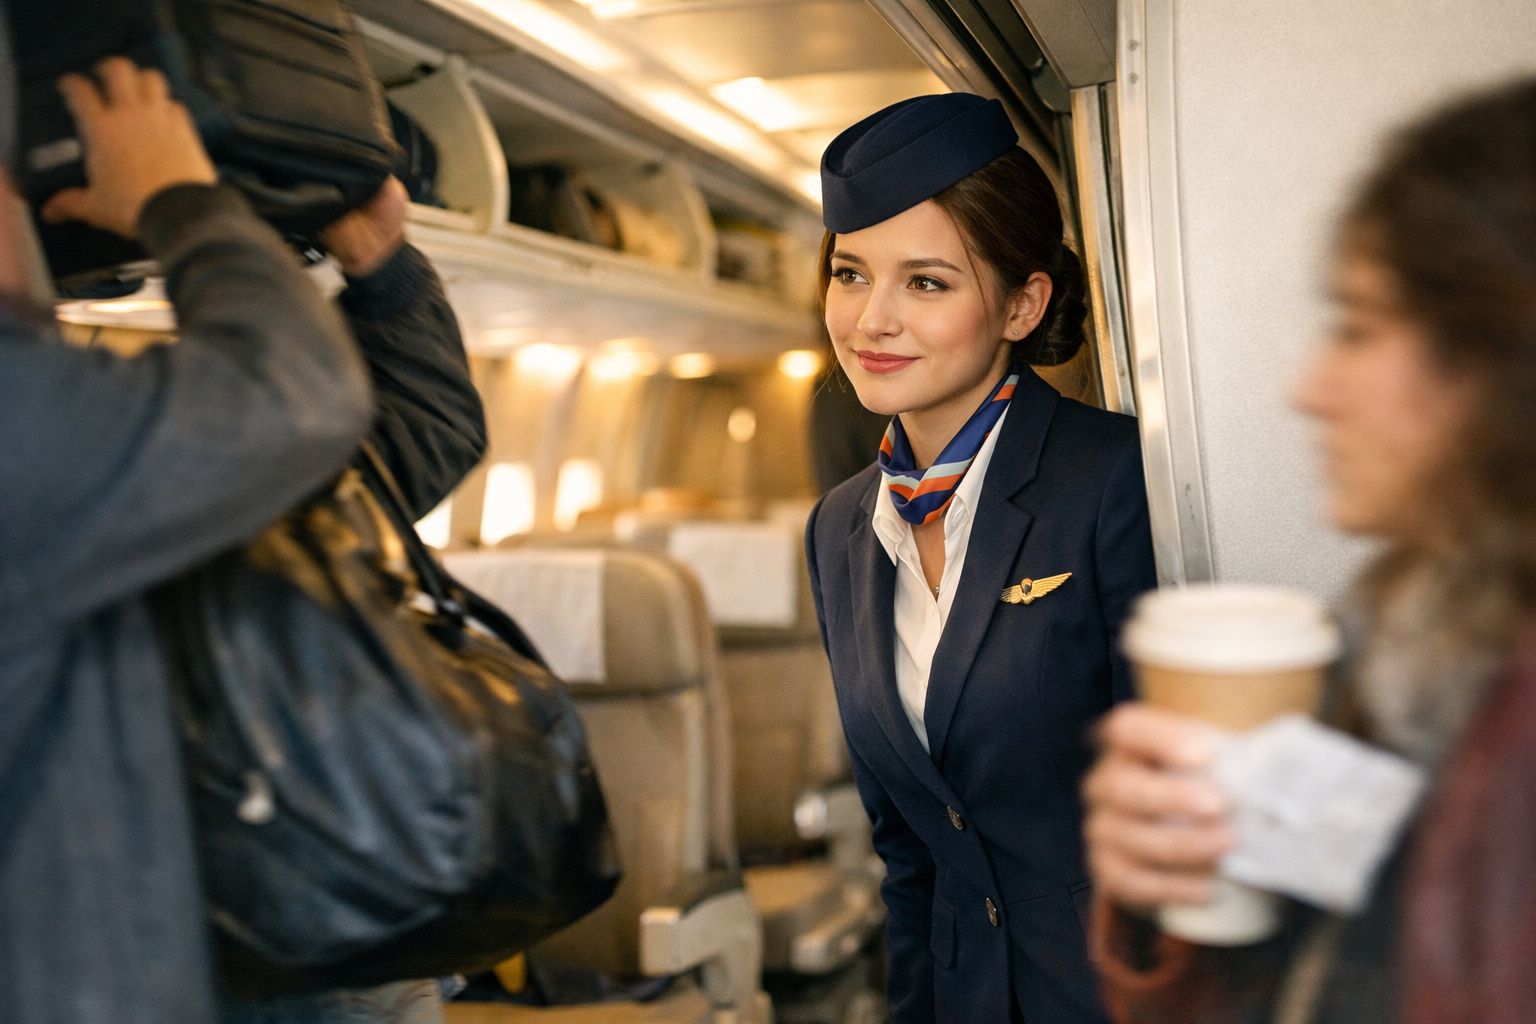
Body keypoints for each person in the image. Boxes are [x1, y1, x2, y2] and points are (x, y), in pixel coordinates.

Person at [0, 47, 483, 1024]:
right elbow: (300, 398)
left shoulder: (138, 446)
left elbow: (411, 440)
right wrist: (181, 202)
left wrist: (385, 273)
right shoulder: (64, 447)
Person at [1082, 76, 1536, 1024]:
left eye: (1358, 330)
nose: (1309, 389)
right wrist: (1167, 904)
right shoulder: (1415, 656)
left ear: (1502, 365)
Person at [803, 92, 1156, 1024]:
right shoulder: (839, 531)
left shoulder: (1113, 482)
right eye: (849, 274)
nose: (870, 319)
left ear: (1021, 303)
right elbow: (909, 854)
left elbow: (1179, 816)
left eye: (926, 282)